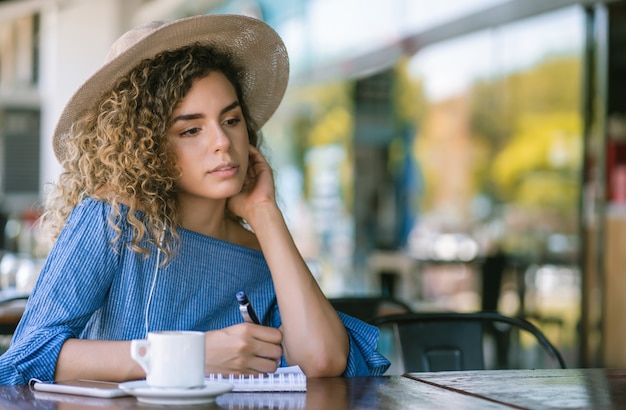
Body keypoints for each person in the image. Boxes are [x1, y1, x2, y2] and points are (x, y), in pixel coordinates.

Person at [0, 14, 390, 385]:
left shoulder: (261, 251)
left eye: (231, 120)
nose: (222, 142)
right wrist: (191, 354)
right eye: (191, 131)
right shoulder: (111, 221)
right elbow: (26, 357)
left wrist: (265, 213)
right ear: (144, 148)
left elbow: (323, 361)